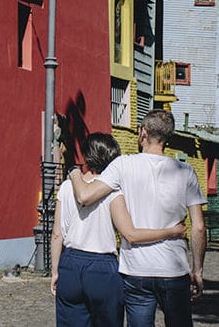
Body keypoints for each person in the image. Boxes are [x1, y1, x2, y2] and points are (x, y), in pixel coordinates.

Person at [69, 110, 207, 327]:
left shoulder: (123, 165)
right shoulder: (185, 171)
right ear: (168, 138)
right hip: (174, 269)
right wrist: (197, 270)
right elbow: (198, 227)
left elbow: (84, 196)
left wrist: (74, 172)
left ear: (142, 133)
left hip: (136, 271)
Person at [51, 132, 186, 327]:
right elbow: (130, 233)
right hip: (102, 266)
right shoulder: (114, 192)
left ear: (87, 156)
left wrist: (56, 270)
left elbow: (57, 234)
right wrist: (172, 231)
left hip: (70, 264)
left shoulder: (66, 187)